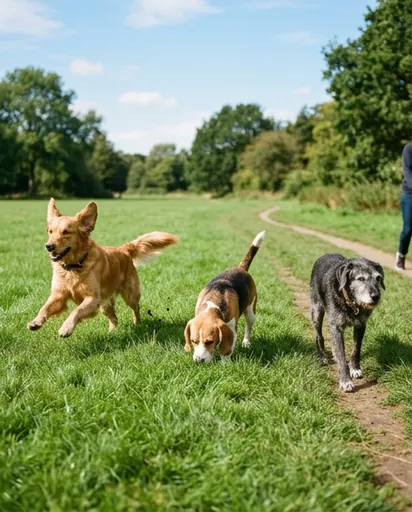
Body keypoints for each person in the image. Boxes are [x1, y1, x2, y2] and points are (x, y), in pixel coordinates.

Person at [395, 141, 412, 270]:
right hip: (409, 194)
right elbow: (408, 174)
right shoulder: (409, 148)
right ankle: (401, 255)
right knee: (408, 229)